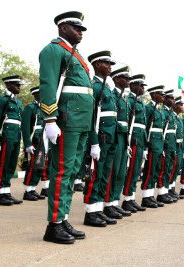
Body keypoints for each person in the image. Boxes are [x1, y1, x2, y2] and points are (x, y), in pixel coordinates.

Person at [39, 11, 91, 244]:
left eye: (81, 29)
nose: (81, 32)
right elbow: (48, 84)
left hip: (80, 122)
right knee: (61, 171)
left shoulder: (74, 53)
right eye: (76, 27)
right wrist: (50, 119)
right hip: (66, 121)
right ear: (63, 28)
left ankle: (63, 217)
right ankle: (54, 225)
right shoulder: (53, 50)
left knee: (71, 171)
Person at [83, 50, 119, 226]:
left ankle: (98, 209)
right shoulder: (95, 87)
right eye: (107, 63)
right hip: (101, 136)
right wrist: (94, 142)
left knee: (104, 173)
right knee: (95, 174)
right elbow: (90, 118)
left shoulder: (107, 87)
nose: (111, 67)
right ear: (97, 65)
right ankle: (90, 212)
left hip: (110, 136)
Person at [0, 75, 24, 206]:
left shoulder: (18, 102)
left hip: (16, 135)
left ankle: (6, 191)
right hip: (6, 135)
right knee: (3, 163)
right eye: (16, 85)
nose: (19, 87)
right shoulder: (2, 100)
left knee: (11, 164)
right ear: (8, 85)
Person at [107, 66, 132, 217]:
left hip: (124, 137)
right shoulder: (113, 95)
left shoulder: (125, 98)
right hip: (115, 136)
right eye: (125, 78)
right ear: (116, 79)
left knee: (121, 172)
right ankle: (108, 203)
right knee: (113, 170)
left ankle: (115, 202)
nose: (128, 81)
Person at [121, 74, 147, 213]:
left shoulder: (140, 101)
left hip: (140, 138)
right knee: (130, 170)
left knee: (136, 170)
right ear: (133, 85)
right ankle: (126, 200)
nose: (143, 88)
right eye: (141, 85)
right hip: (133, 139)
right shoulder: (128, 99)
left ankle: (130, 198)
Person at [141, 85, 168, 207]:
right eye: (160, 94)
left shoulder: (159, 110)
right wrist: (146, 146)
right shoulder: (149, 108)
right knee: (150, 169)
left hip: (158, 143)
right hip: (151, 142)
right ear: (153, 95)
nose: (163, 96)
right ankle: (146, 197)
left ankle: (150, 195)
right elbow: (146, 127)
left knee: (156, 170)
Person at [21, 86, 46, 201]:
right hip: (34, 139)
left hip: (43, 139)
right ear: (36, 95)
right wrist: (27, 144)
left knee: (39, 166)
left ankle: (32, 189)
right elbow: (25, 128)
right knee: (33, 166)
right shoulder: (30, 108)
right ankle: (27, 191)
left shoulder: (43, 108)